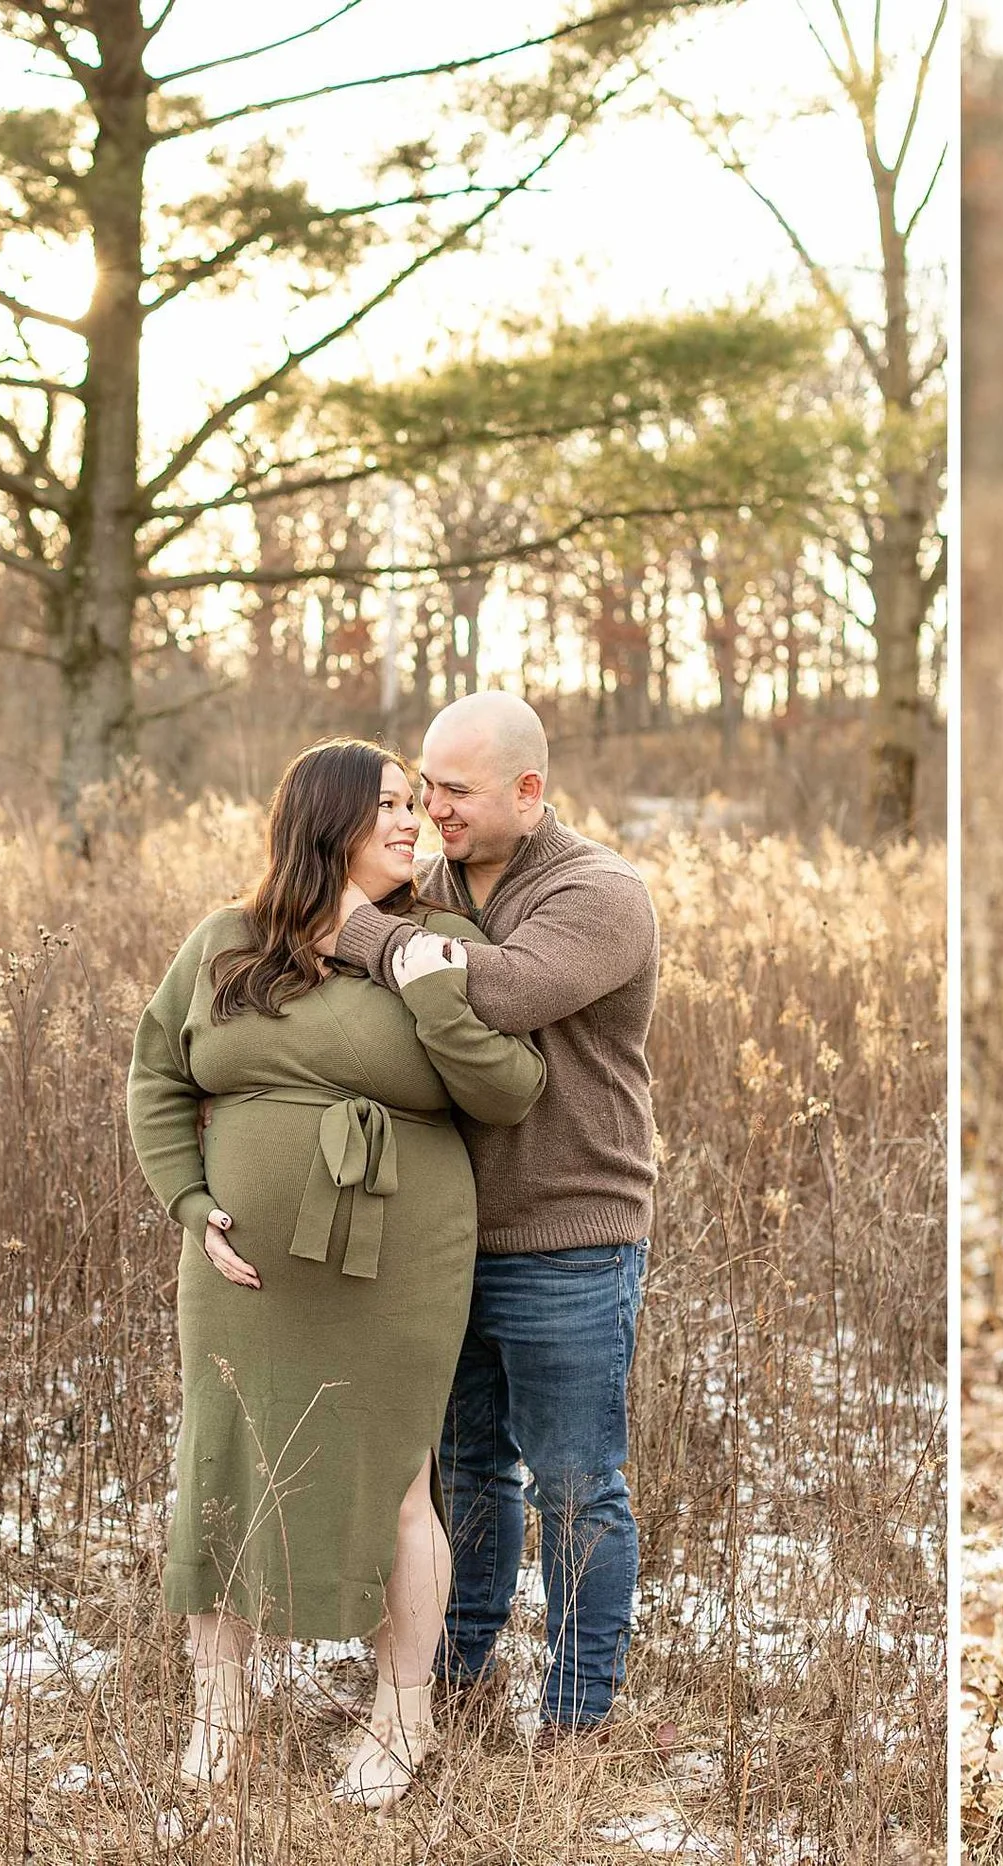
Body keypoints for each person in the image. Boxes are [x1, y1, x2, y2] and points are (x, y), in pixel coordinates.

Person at [128, 738, 546, 1807]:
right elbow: (157, 1078)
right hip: (240, 1264)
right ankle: (217, 1719)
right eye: (388, 808)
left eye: (418, 804)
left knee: (398, 1477)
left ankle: (400, 1719)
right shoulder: (225, 943)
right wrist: (190, 1202)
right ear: (324, 823)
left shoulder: (438, 940)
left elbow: (508, 1090)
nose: (414, 824)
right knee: (223, 1459)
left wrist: (426, 987)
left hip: (395, 1262)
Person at [330, 689, 659, 1737]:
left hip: (569, 1230)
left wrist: (369, 937)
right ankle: (459, 1669)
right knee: (466, 1469)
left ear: (529, 790)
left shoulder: (600, 891)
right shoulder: (423, 890)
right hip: (446, 1233)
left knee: (574, 1485)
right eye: (426, 787)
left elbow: (507, 990)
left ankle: (575, 1713)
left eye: (456, 790)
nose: (433, 809)